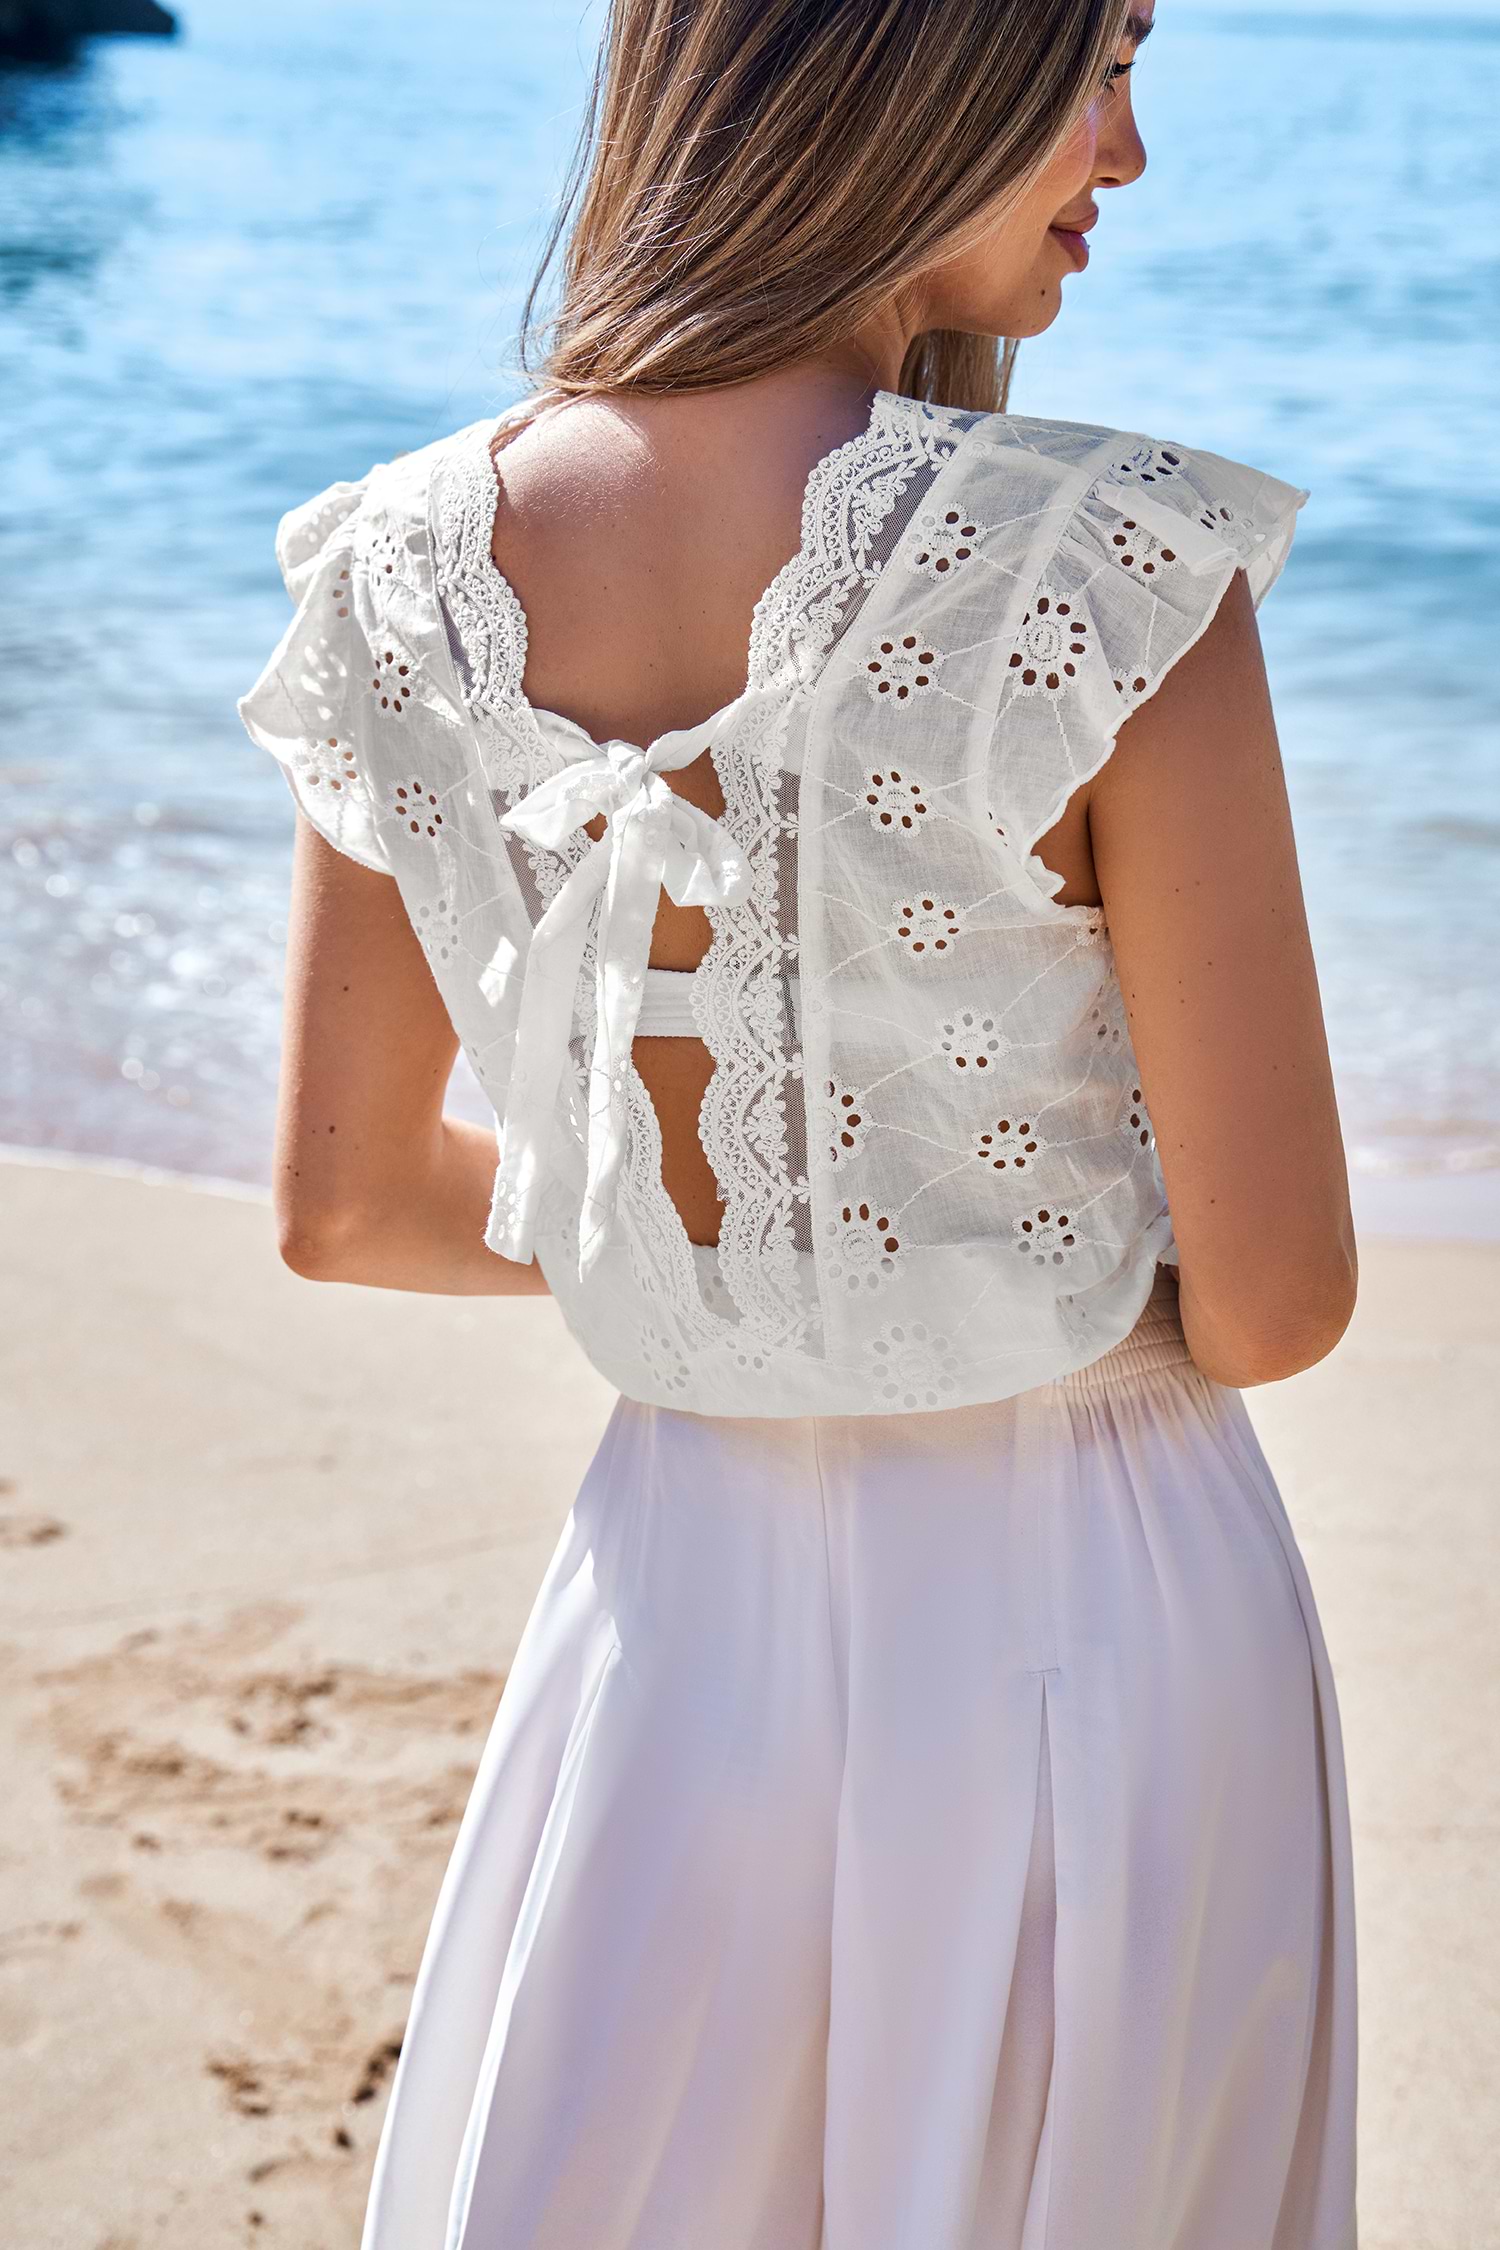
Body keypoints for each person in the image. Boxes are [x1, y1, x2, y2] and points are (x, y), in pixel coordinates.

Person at [237, 0, 1359, 2242]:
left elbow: (345, 1207)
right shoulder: (1097, 562)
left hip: (672, 1612)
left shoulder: (398, 568)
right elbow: (1276, 1299)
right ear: (913, 57)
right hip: (1096, 1606)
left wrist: (727, 1276)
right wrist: (930, 1253)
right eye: (1100, 61)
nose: (1126, 152)